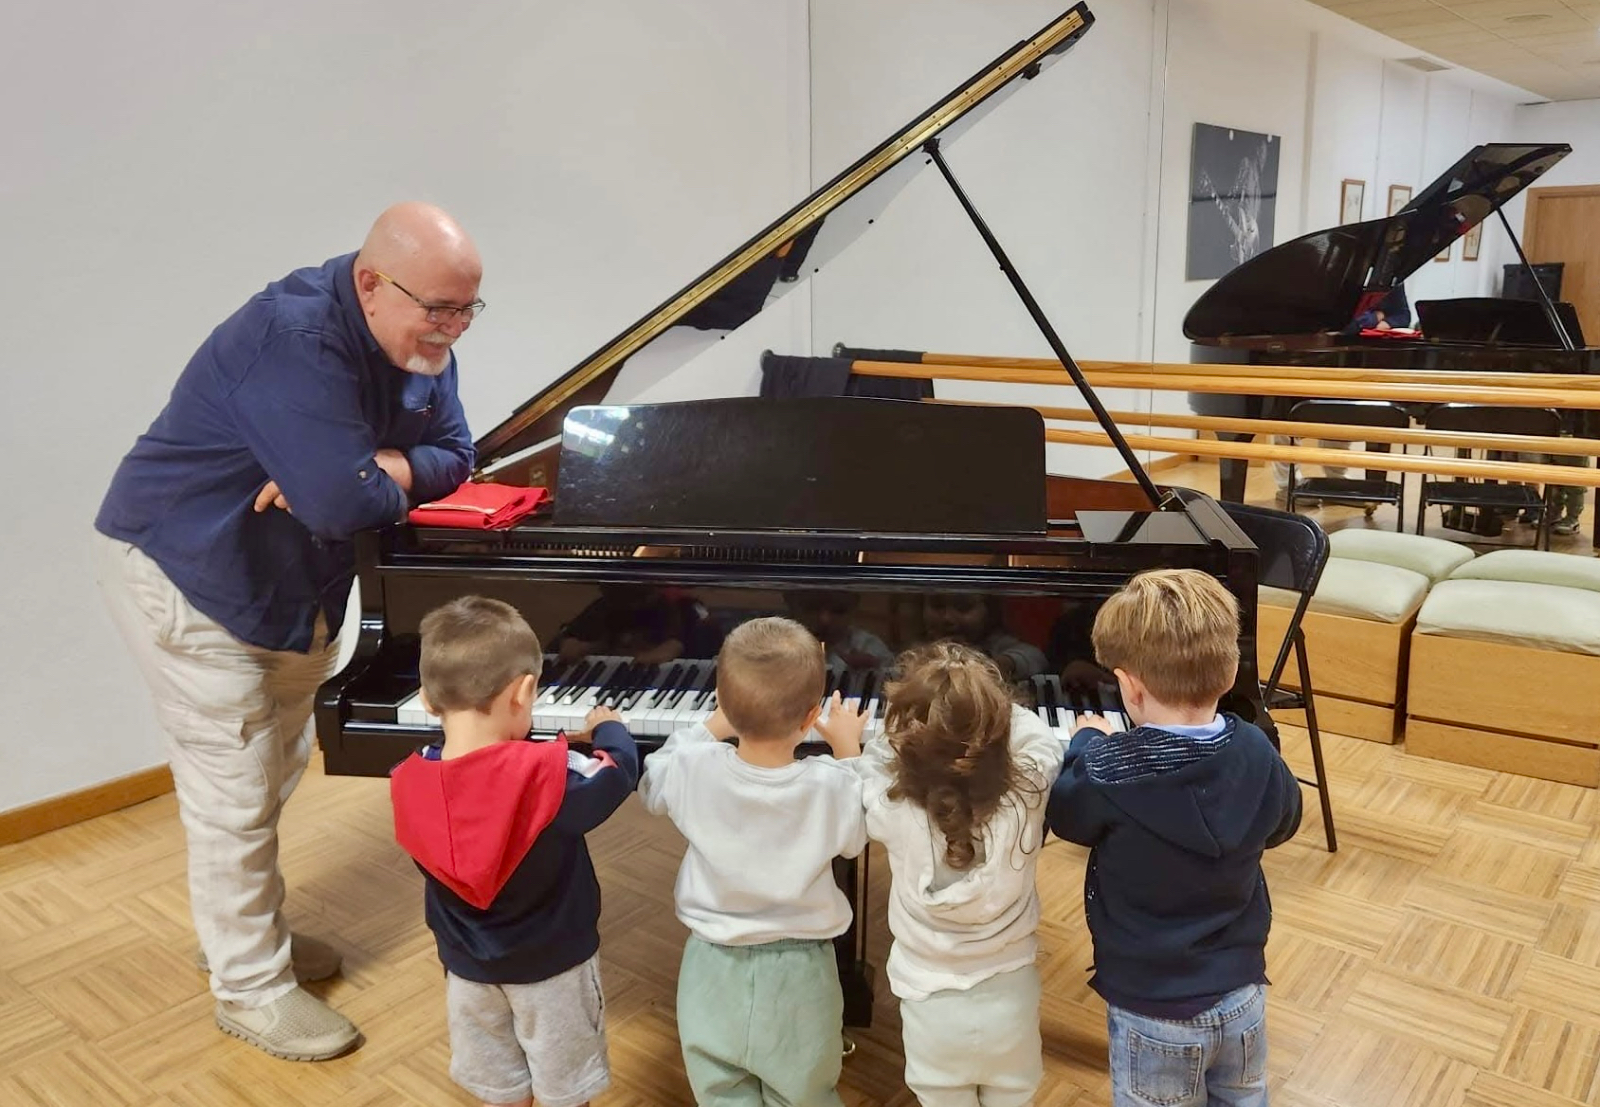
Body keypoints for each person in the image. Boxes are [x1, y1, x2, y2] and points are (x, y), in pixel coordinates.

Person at [92, 202, 481, 1059]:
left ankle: (240, 933)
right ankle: (250, 987)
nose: (452, 332)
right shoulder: (292, 338)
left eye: (467, 311)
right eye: (438, 310)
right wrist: (355, 482)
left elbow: (460, 453)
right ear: (372, 284)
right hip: (193, 575)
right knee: (232, 788)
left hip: (295, 589)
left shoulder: (422, 340)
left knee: (272, 769)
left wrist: (385, 466)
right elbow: (343, 505)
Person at [1045, 569, 1301, 1107]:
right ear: (1230, 671)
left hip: (1152, 1008)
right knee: (1244, 1098)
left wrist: (1087, 739)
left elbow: (1067, 814)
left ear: (1129, 686)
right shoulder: (1256, 749)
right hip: (1243, 992)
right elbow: (1286, 819)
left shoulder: (1108, 769)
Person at [390, 596, 640, 1107]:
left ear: (427, 700)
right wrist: (610, 728)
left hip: (467, 972)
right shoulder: (553, 779)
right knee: (566, 1092)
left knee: (502, 1089)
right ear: (524, 692)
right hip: (555, 971)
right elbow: (618, 773)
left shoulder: (406, 781)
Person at [638, 616, 868, 1107]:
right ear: (810, 718)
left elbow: (652, 780)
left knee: (720, 1088)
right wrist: (849, 751)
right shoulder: (831, 786)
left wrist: (710, 726)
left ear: (722, 702)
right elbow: (857, 833)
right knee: (805, 1090)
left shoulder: (689, 768)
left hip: (711, 965)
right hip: (800, 969)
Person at [830, 641, 1063, 1107]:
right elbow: (1042, 742)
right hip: (1010, 998)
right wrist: (984, 710)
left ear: (908, 743)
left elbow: (860, 775)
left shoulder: (892, 809)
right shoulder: (1029, 792)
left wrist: (846, 744)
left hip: (928, 999)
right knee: (1013, 1094)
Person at [921, 593, 1047, 681]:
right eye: (937, 606)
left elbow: (1036, 657)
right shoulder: (917, 646)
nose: (947, 618)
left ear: (989, 612)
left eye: (963, 607)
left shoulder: (996, 643)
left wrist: (1002, 664)